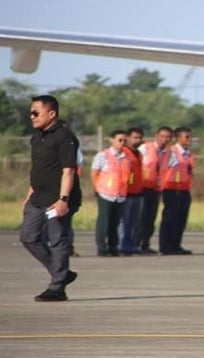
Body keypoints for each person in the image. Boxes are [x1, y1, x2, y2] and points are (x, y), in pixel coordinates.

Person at [20, 94, 81, 301]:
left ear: (51, 113)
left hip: (57, 199)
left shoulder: (64, 137)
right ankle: (62, 273)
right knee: (28, 237)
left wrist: (63, 199)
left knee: (57, 240)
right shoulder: (37, 137)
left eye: (36, 113)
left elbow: (69, 170)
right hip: (37, 197)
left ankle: (57, 287)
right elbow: (38, 168)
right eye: (31, 113)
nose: (32, 117)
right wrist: (29, 194)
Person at [91, 130, 131, 256]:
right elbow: (94, 173)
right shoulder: (102, 156)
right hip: (105, 193)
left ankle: (113, 247)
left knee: (115, 223)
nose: (122, 143)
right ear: (112, 140)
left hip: (120, 195)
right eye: (120, 140)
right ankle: (102, 248)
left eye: (125, 140)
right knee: (104, 222)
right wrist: (97, 188)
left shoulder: (126, 158)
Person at [136, 126, 173, 254]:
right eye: (162, 136)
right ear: (156, 136)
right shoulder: (145, 148)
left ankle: (145, 244)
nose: (164, 139)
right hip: (142, 187)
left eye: (168, 137)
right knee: (140, 217)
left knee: (150, 218)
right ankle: (135, 244)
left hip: (156, 189)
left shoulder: (169, 152)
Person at [158, 126, 194, 255]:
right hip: (171, 189)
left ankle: (176, 245)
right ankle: (165, 246)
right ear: (178, 138)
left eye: (190, 136)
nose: (190, 139)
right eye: (187, 137)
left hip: (184, 189)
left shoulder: (188, 153)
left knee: (181, 219)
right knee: (170, 218)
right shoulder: (171, 152)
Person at [118, 127, 144, 255]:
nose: (137, 140)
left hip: (138, 191)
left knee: (133, 222)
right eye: (135, 137)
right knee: (124, 221)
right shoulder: (123, 152)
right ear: (127, 138)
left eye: (139, 138)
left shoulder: (138, 153)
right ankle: (121, 245)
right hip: (126, 192)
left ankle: (129, 245)